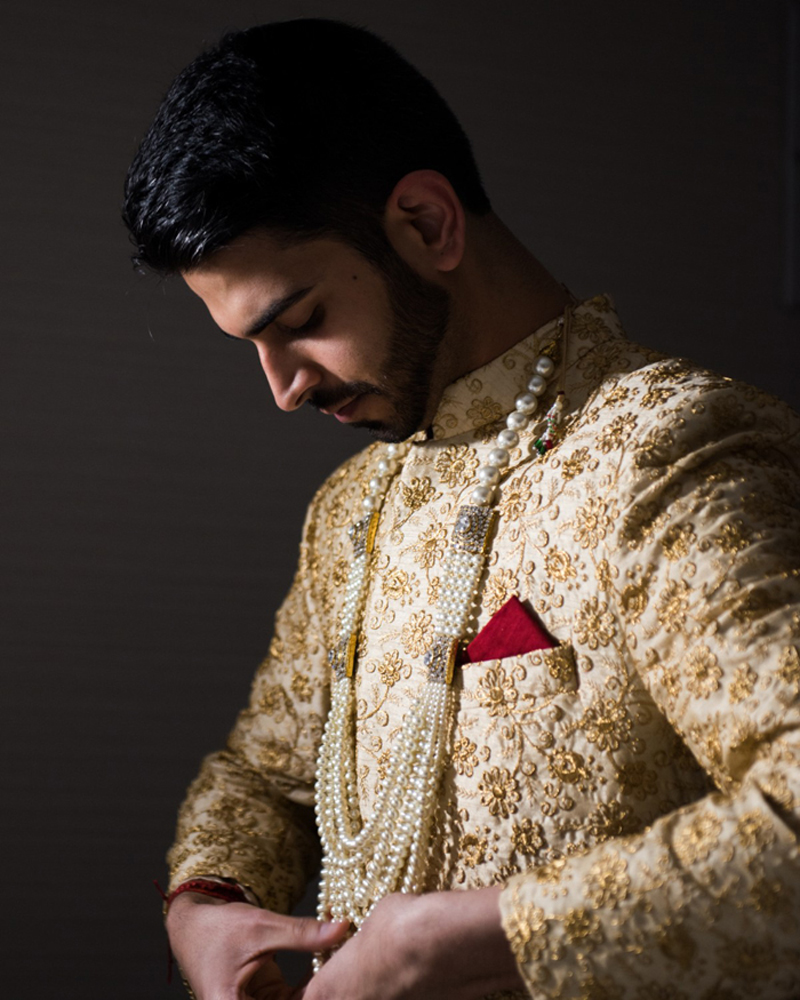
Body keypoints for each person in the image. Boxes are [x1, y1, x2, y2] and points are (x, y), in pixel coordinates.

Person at [123, 18, 800, 1000]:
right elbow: (262, 774)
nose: (280, 389)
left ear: (429, 224)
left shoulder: (662, 450)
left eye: (301, 322)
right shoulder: (351, 507)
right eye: (251, 346)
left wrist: (481, 937)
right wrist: (204, 904)